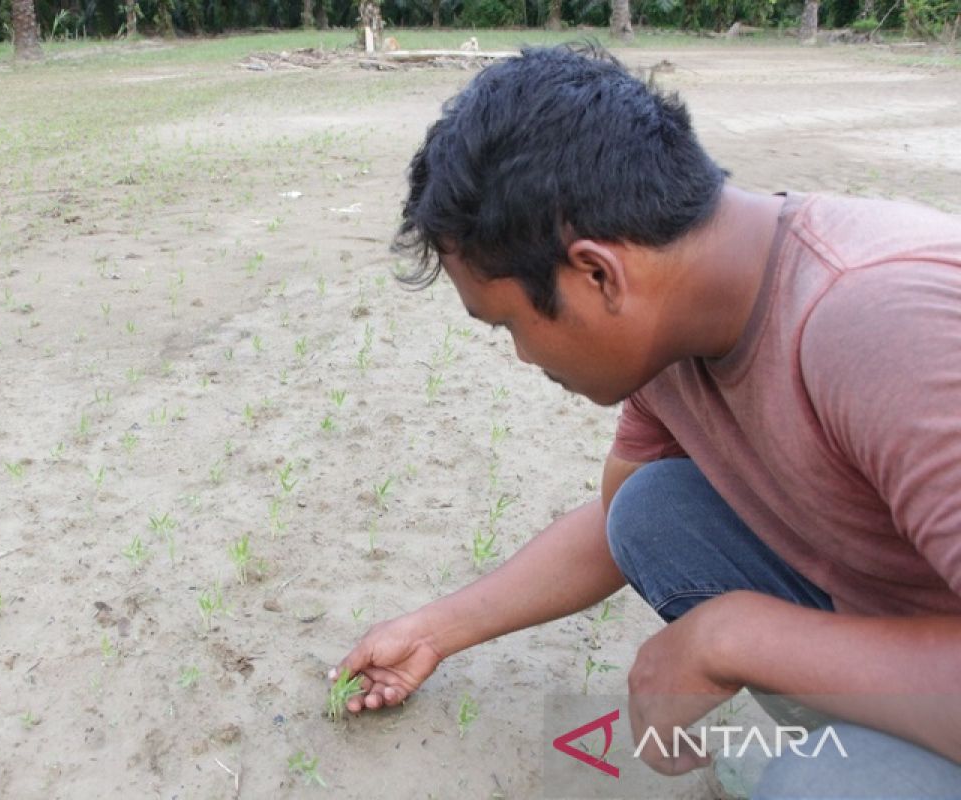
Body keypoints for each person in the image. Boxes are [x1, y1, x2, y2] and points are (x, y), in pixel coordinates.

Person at [329, 46, 961, 797]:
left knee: (819, 786)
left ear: (598, 273)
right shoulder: (679, 326)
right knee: (652, 510)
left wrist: (738, 639)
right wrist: (433, 632)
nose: (522, 358)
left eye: (507, 326)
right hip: (917, 634)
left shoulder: (879, 325)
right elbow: (614, 522)